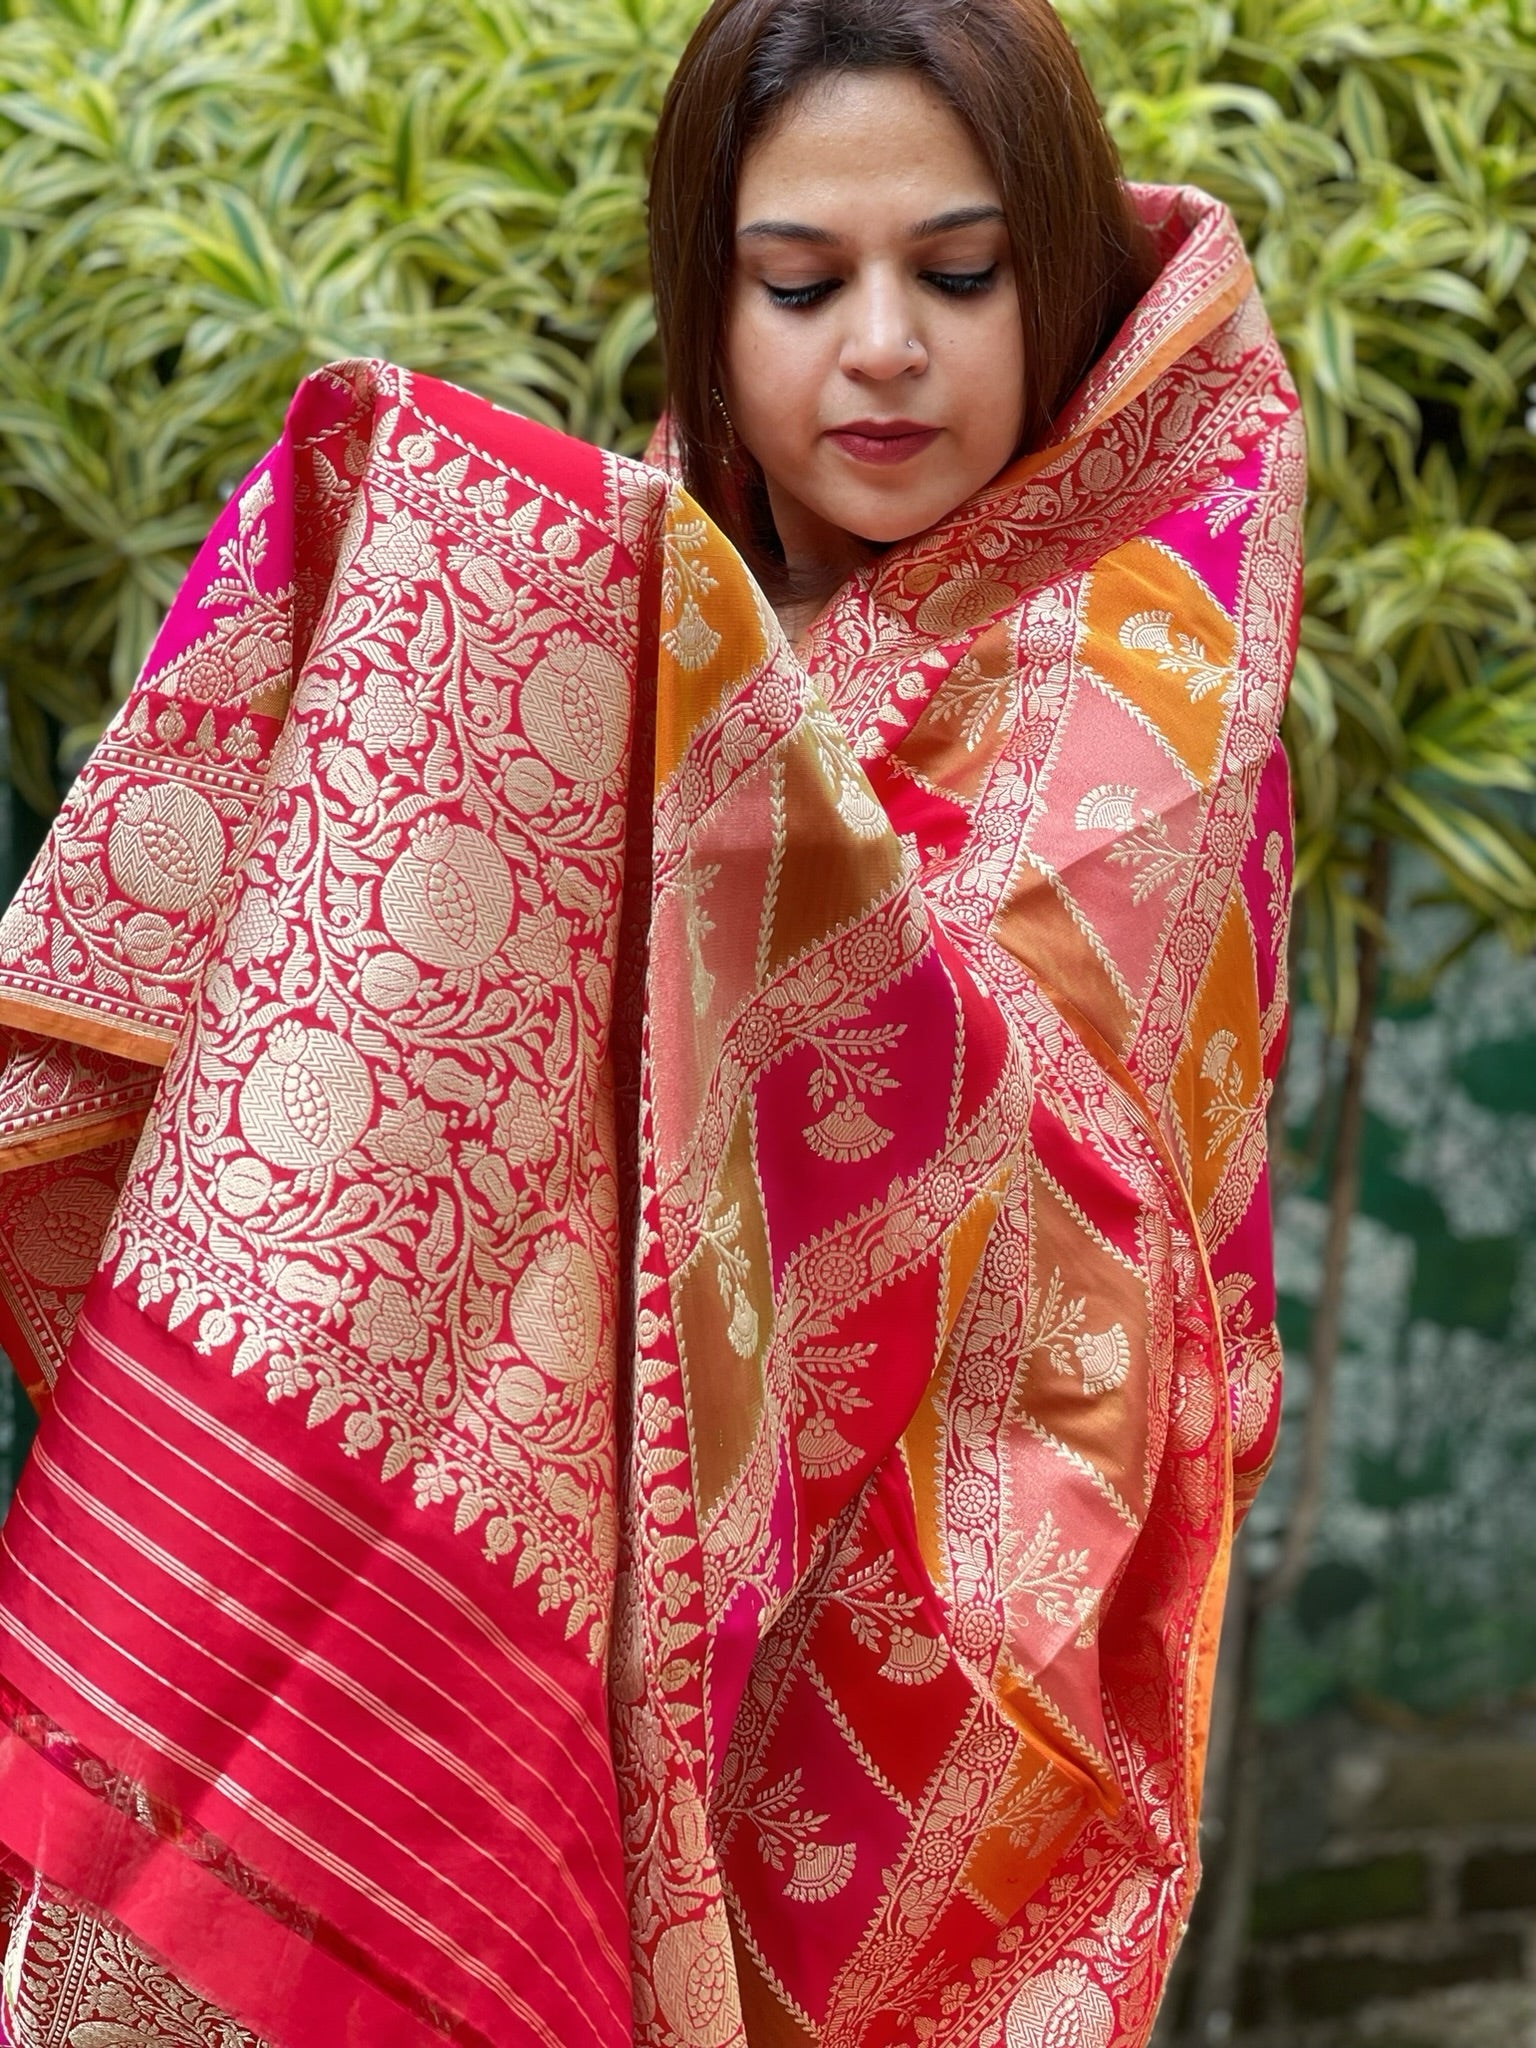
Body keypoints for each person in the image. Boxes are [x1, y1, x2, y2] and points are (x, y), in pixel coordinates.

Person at [0, 0, 1300, 2043]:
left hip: (932, 1608)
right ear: (712, 299)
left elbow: (1032, 1164)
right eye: (801, 282)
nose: (882, 345)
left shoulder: (1137, 657)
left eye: (959, 274)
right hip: (578, 1544)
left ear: (1061, 275)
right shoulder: (659, 602)